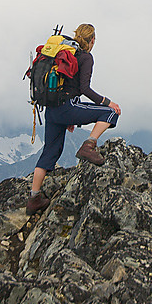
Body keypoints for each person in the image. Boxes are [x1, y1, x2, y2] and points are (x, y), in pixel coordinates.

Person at [26, 24, 121, 215]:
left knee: (50, 152)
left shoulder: (64, 53)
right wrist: (108, 102)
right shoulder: (86, 57)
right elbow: (84, 89)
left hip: (52, 111)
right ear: (92, 39)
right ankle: (89, 146)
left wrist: (68, 118)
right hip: (67, 107)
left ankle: (34, 199)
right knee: (111, 113)